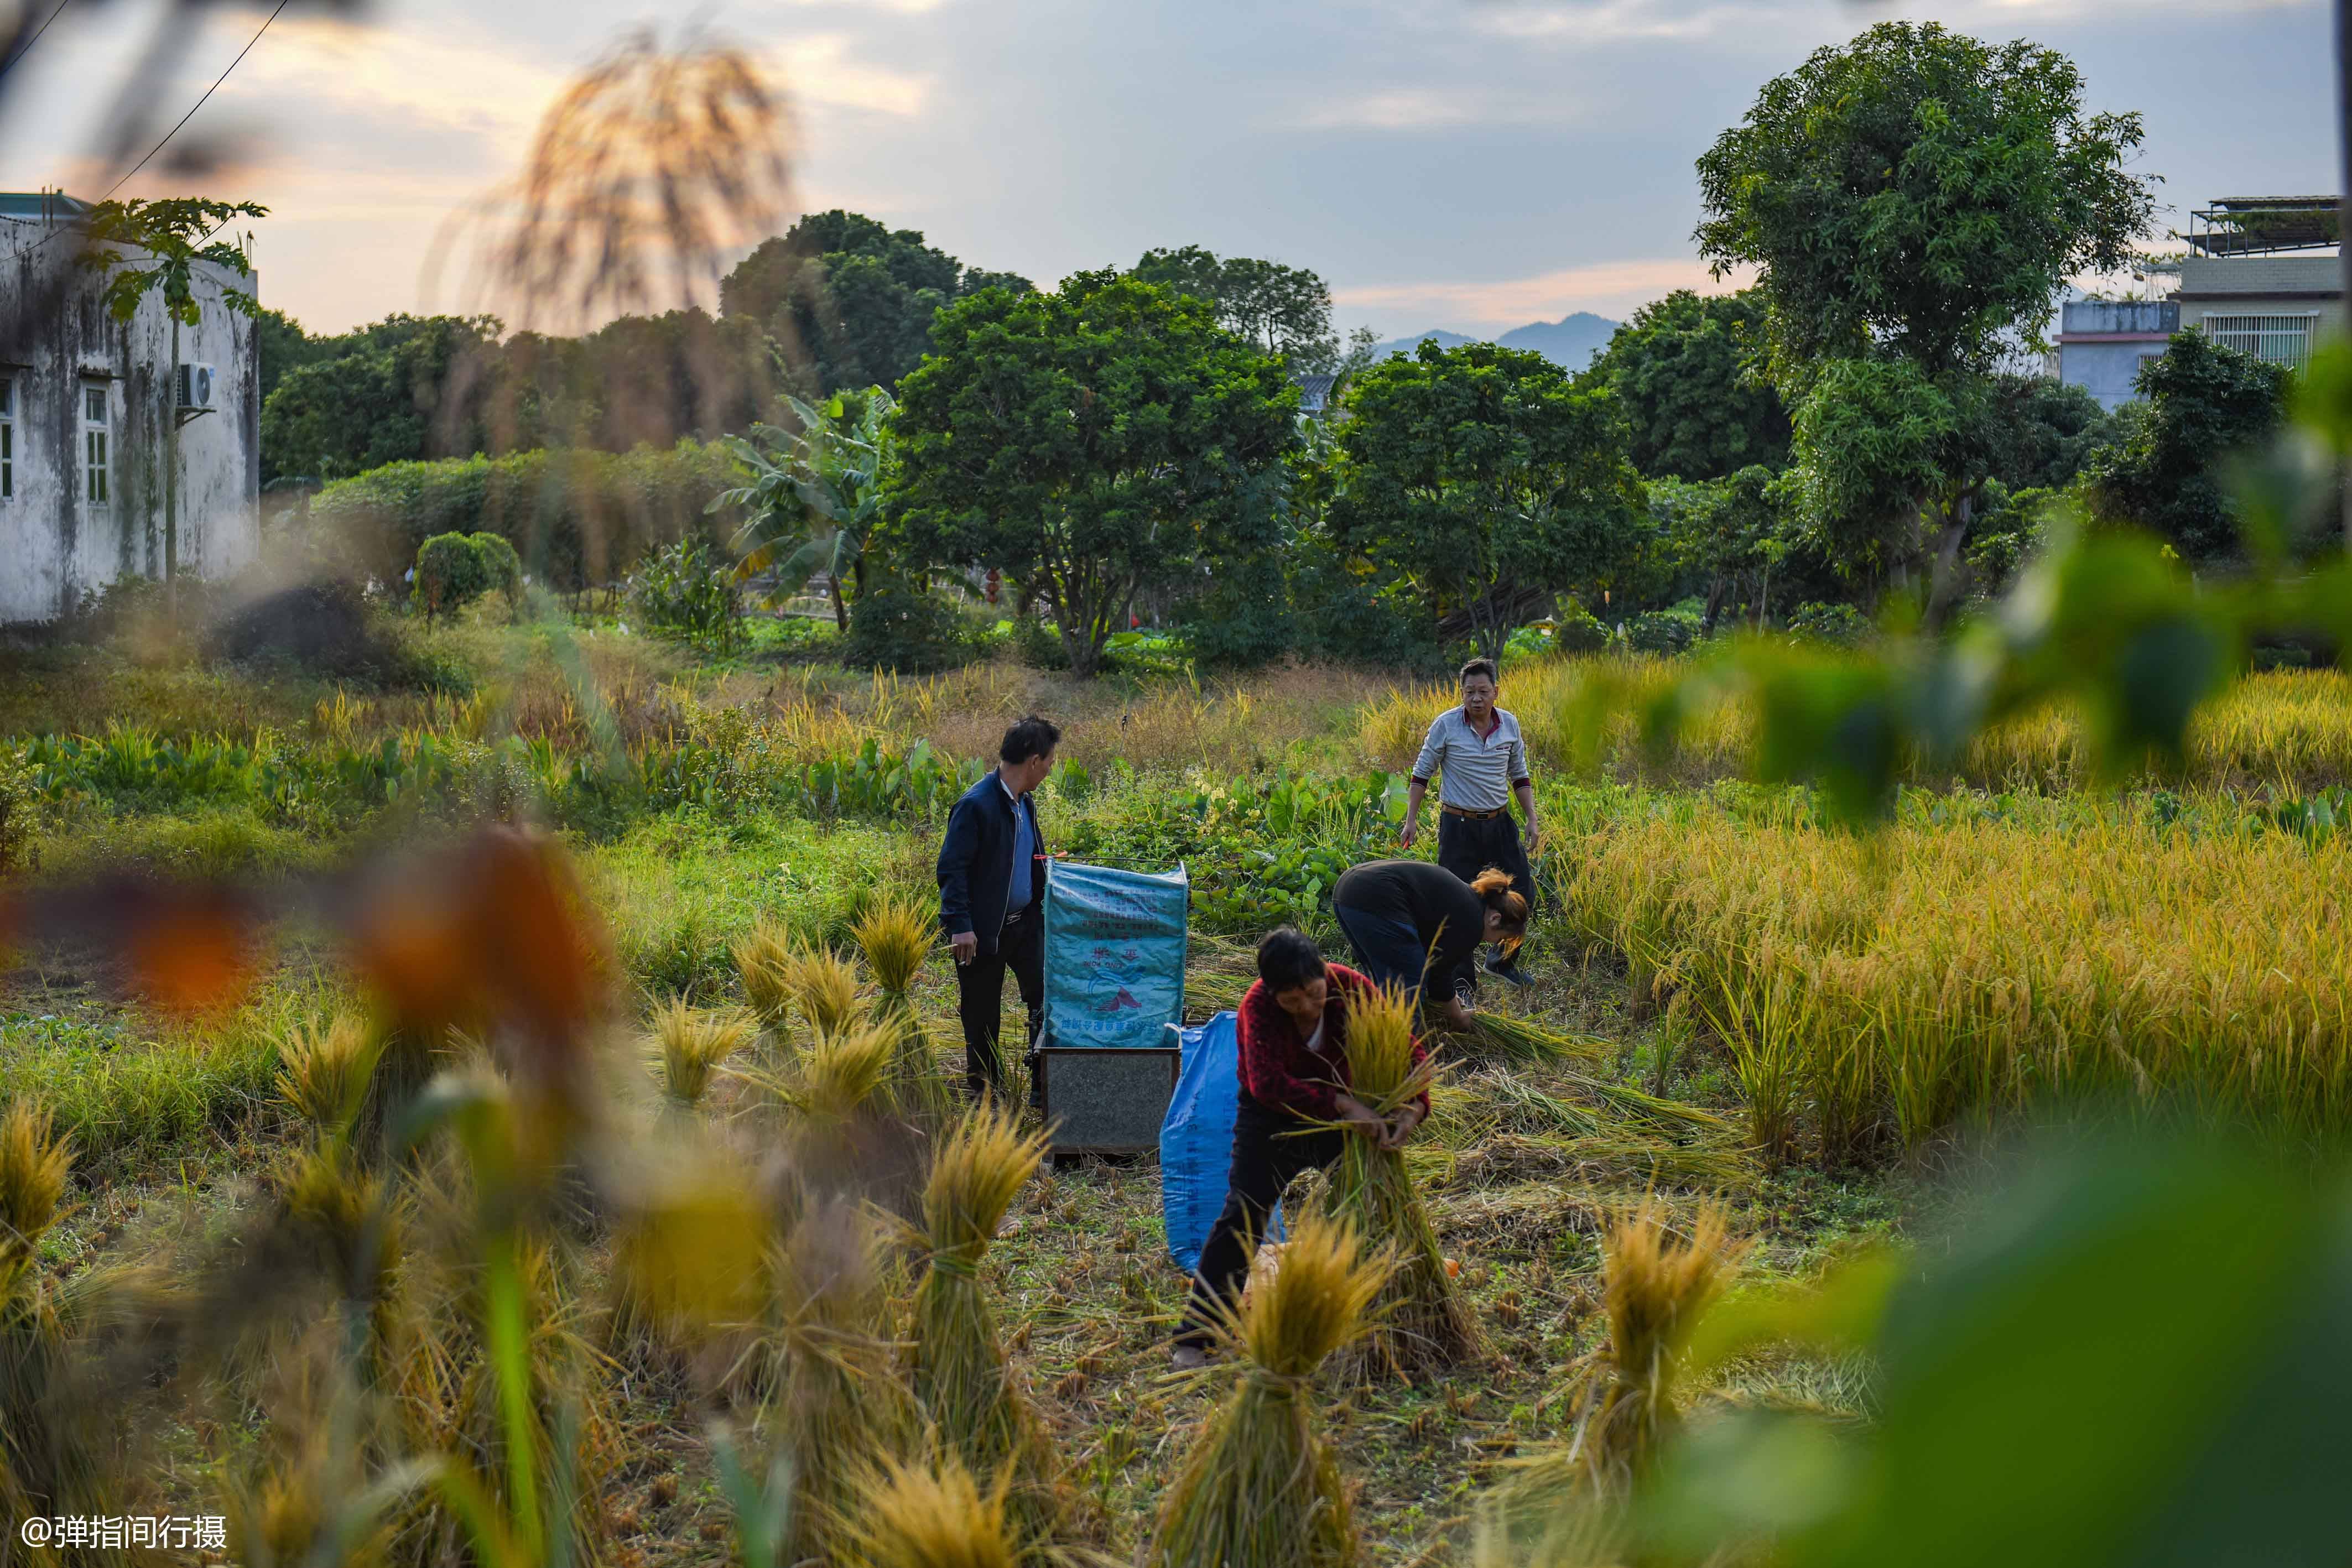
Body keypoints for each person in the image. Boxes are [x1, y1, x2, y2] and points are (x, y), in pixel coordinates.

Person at [1171, 928, 1429, 1368]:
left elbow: (1407, 1047)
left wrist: (1415, 1107)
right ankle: (1196, 1337)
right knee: (1243, 1215)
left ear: (1324, 973)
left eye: (1313, 993)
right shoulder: (1258, 1008)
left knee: (1368, 1207)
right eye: (1293, 1001)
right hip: (1272, 1120)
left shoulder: (1349, 987)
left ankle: (1384, 1317)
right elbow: (1266, 1084)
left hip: (1345, 1120)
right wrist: (1342, 1104)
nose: (1308, 1007)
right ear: (1274, 994)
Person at [936, 714, 1061, 1106]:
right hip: (982, 931)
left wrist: (1045, 871)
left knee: (1045, 996)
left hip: (1024, 925)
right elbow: (951, 868)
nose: (1051, 769)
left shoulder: (1026, 803)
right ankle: (987, 1096)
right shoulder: (976, 805)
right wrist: (961, 925)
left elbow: (1024, 856)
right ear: (1034, 759)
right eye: (1050, 762)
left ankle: (1044, 1085)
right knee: (982, 1015)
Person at [1400, 657, 1539, 996]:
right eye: (1469, 692)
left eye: (1482, 691)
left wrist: (1532, 817)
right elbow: (1421, 773)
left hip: (1500, 825)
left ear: (1496, 692)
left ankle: (1502, 961)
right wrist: (1411, 819)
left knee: (1524, 895)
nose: (1475, 699)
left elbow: (1519, 773)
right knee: (1456, 903)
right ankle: (1461, 982)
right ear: (1461, 693)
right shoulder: (1446, 725)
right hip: (1458, 827)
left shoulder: (1509, 725)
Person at [1330, 860, 1528, 1033]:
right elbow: (1436, 975)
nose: (1493, 943)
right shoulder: (1472, 922)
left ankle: (1363, 1034)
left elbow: (1434, 958)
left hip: (1349, 889)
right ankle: (1400, 1055)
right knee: (1409, 984)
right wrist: (1456, 1015)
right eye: (1501, 938)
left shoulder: (1468, 900)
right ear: (1495, 919)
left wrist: (1450, 997)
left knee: (1385, 983)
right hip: (1375, 898)